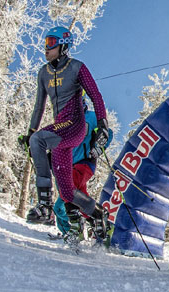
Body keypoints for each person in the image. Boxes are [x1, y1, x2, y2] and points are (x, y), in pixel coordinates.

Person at [18, 26, 109, 249]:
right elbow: (39, 106)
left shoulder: (77, 67)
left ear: (64, 45)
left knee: (39, 140)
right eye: (45, 43)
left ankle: (44, 205)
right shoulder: (43, 73)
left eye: (51, 42)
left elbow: (95, 96)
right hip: (60, 131)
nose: (45, 48)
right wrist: (30, 132)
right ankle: (97, 214)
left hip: (75, 126)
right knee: (67, 191)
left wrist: (102, 126)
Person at [53, 99, 113, 246]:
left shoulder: (91, 117)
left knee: (68, 189)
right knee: (80, 201)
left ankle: (76, 227)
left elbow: (108, 132)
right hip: (69, 165)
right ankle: (100, 223)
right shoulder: (64, 123)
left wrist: (99, 145)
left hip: (85, 162)